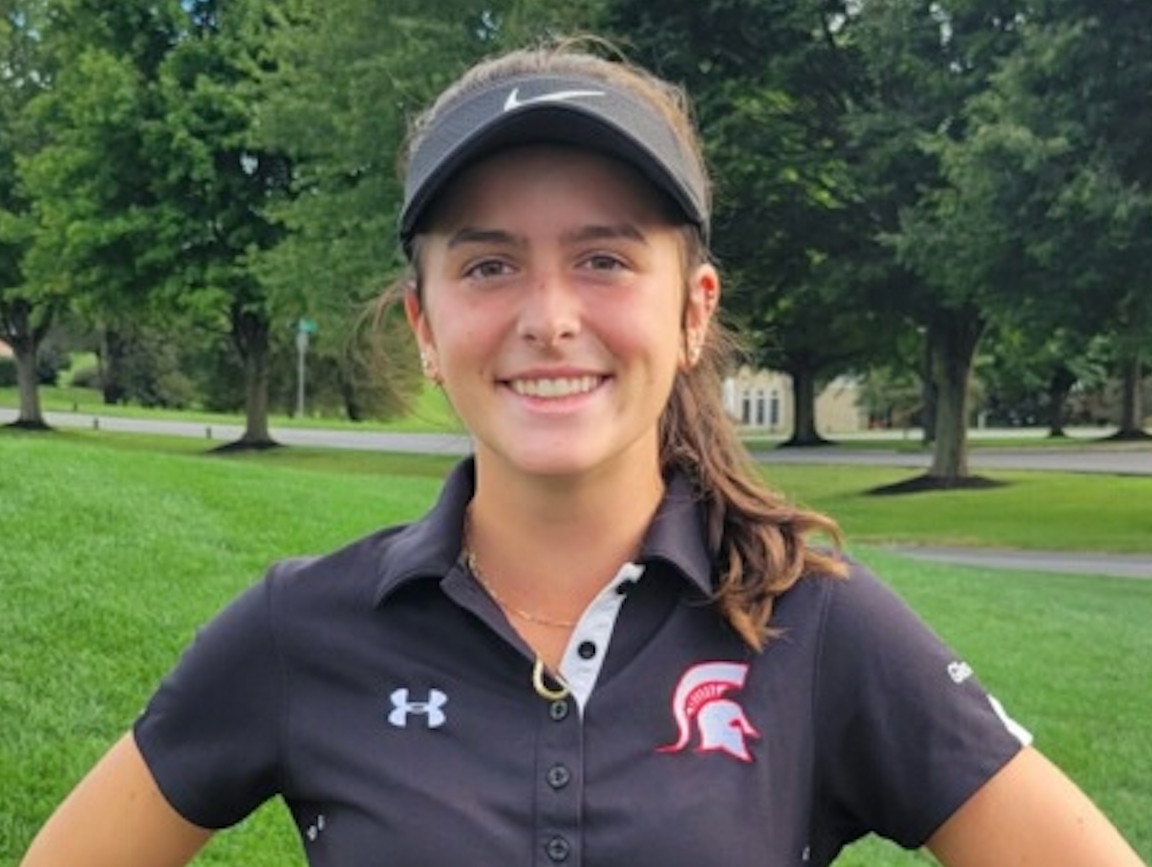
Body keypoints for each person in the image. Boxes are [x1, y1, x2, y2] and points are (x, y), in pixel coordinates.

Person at [21, 40, 1146, 867]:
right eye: (489, 265)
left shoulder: (817, 628)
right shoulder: (299, 629)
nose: (549, 318)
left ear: (693, 310)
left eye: (604, 259)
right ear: (424, 325)